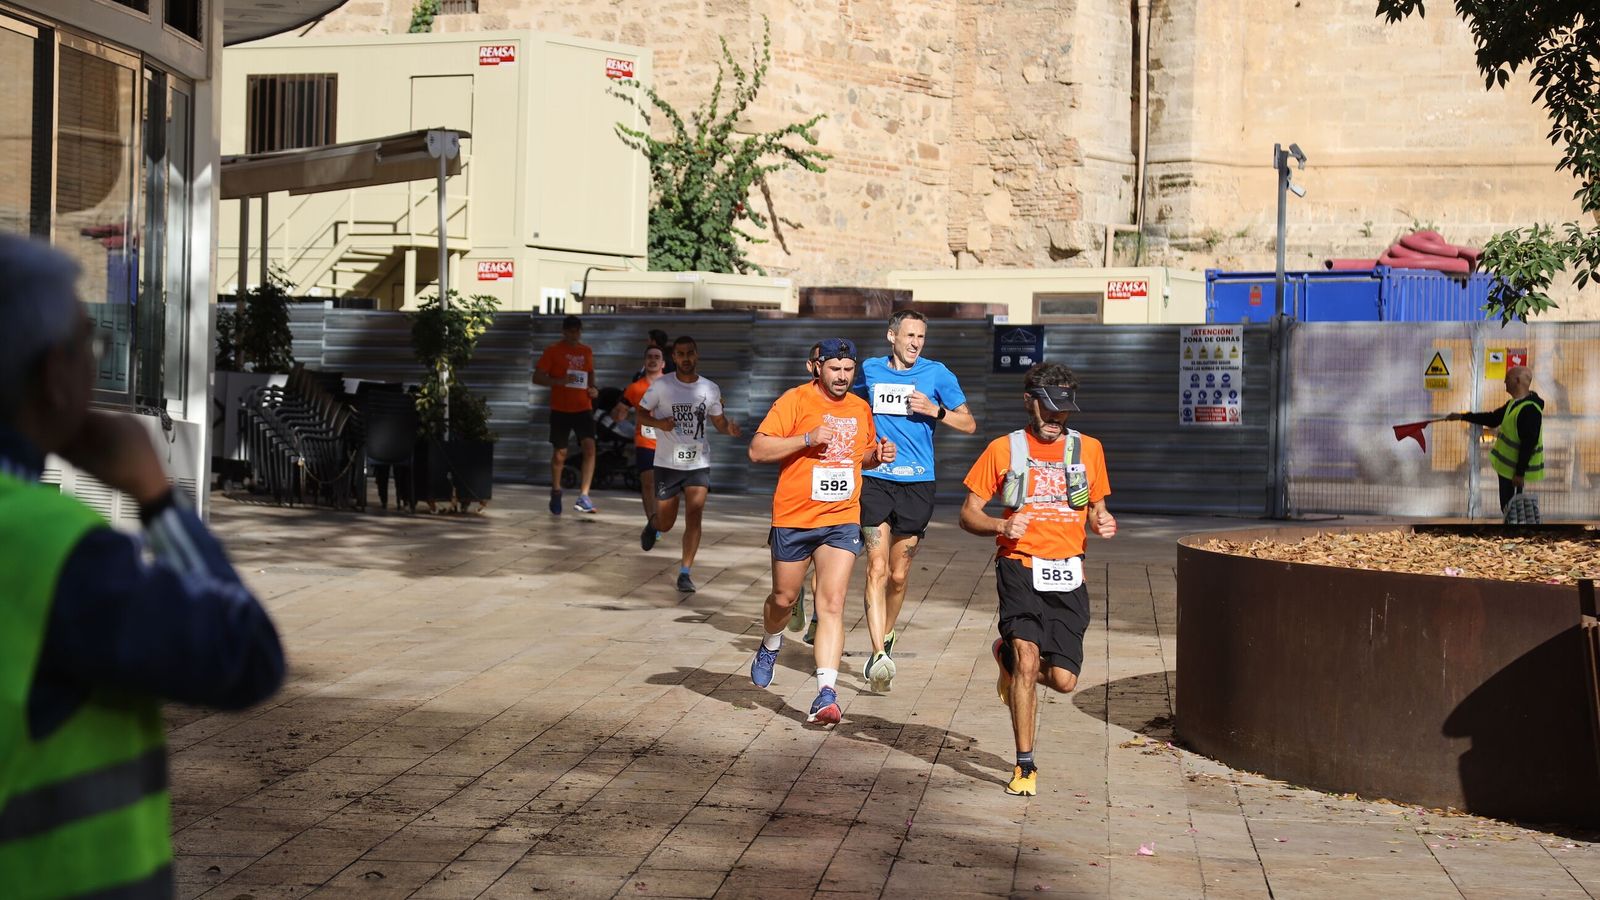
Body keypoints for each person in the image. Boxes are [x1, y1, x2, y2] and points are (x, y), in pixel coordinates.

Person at [0, 234, 285, 895]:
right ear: (53, 373)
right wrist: (157, 499)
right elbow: (245, 657)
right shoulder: (55, 550)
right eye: (89, 345)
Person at [959, 362, 1115, 796]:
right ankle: (1025, 765)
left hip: (1068, 571)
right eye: (1048, 409)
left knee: (1064, 681)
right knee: (1028, 659)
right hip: (1019, 566)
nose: (1056, 419)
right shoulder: (1002, 448)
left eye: (1063, 411)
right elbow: (968, 513)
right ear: (1029, 401)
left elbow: (1098, 506)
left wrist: (1102, 519)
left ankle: (1003, 657)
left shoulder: (1090, 449)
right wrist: (999, 527)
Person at [748, 338, 896, 726]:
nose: (843, 377)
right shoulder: (794, 401)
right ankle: (771, 642)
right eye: (835, 369)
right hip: (795, 517)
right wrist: (807, 439)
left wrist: (876, 456)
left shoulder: (860, 407)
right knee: (783, 598)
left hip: (841, 517)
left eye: (849, 370)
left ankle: (825, 694)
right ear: (816, 368)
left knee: (831, 603)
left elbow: (860, 453)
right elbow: (757, 450)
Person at [854, 309, 976, 692]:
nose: (915, 343)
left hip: (918, 483)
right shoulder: (870, 370)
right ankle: (877, 655)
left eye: (920, 337)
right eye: (909, 336)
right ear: (892, 336)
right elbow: (848, 404)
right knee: (875, 568)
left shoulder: (938, 374)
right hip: (875, 479)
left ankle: (887, 635)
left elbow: (969, 423)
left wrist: (936, 410)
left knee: (899, 574)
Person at [637, 336, 742, 592]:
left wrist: (729, 429)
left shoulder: (710, 388)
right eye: (680, 354)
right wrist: (660, 424)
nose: (686, 358)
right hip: (667, 463)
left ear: (696, 355)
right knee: (667, 523)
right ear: (674, 358)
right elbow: (640, 414)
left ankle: (685, 572)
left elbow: (718, 421)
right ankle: (653, 524)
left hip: (698, 461)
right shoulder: (662, 386)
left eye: (690, 353)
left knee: (695, 515)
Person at [1446, 364, 1545, 512]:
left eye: (1507, 379)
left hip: (1516, 472)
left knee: (1513, 509)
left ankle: (1513, 534)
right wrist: (1462, 416)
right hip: (1507, 469)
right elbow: (1493, 418)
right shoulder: (1514, 404)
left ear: (1517, 381)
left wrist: (1519, 473)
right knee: (1508, 508)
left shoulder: (1530, 410)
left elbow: (1528, 443)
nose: (1504, 382)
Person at [532, 315, 600, 515]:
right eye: (570, 330)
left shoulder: (586, 351)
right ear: (563, 331)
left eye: (577, 331)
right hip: (561, 409)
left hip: (583, 408)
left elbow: (590, 374)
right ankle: (556, 489)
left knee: (589, 447)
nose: (574, 334)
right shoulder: (553, 351)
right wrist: (559, 381)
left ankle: (584, 495)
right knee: (560, 453)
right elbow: (537, 377)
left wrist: (593, 389)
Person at [613, 345, 667, 528]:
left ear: (663, 363)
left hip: (669, 442)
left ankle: (660, 516)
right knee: (648, 482)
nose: (653, 360)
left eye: (657, 357)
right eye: (649, 357)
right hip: (645, 441)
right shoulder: (635, 388)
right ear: (645, 362)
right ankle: (652, 523)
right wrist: (619, 413)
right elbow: (620, 412)